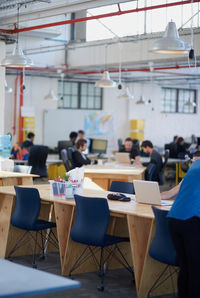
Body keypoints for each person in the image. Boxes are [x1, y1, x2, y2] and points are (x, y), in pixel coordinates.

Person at [167, 158, 200, 298]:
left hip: (174, 218)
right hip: (191, 220)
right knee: (196, 271)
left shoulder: (196, 165)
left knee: (185, 268)